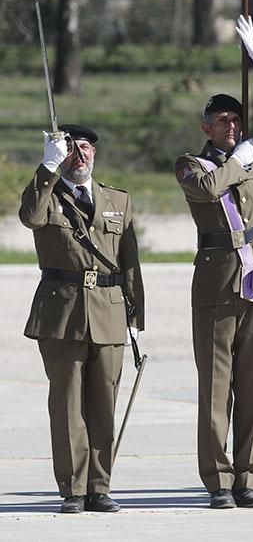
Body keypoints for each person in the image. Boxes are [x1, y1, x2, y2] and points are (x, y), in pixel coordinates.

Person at [174, 16, 253, 509]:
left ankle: (250, 477)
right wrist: (237, 163)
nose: (232, 126)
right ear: (206, 127)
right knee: (216, 382)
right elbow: (206, 188)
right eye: (222, 121)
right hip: (219, 276)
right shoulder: (193, 163)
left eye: (237, 120)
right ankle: (218, 479)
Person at [20, 124, 145, 514]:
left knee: (104, 403)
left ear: (95, 153)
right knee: (68, 405)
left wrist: (136, 314)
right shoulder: (46, 195)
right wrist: (47, 166)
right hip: (62, 312)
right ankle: (73, 489)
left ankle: (99, 487)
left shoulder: (116, 200)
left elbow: (129, 261)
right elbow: (30, 217)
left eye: (86, 147)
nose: (80, 154)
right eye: (71, 148)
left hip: (108, 311)